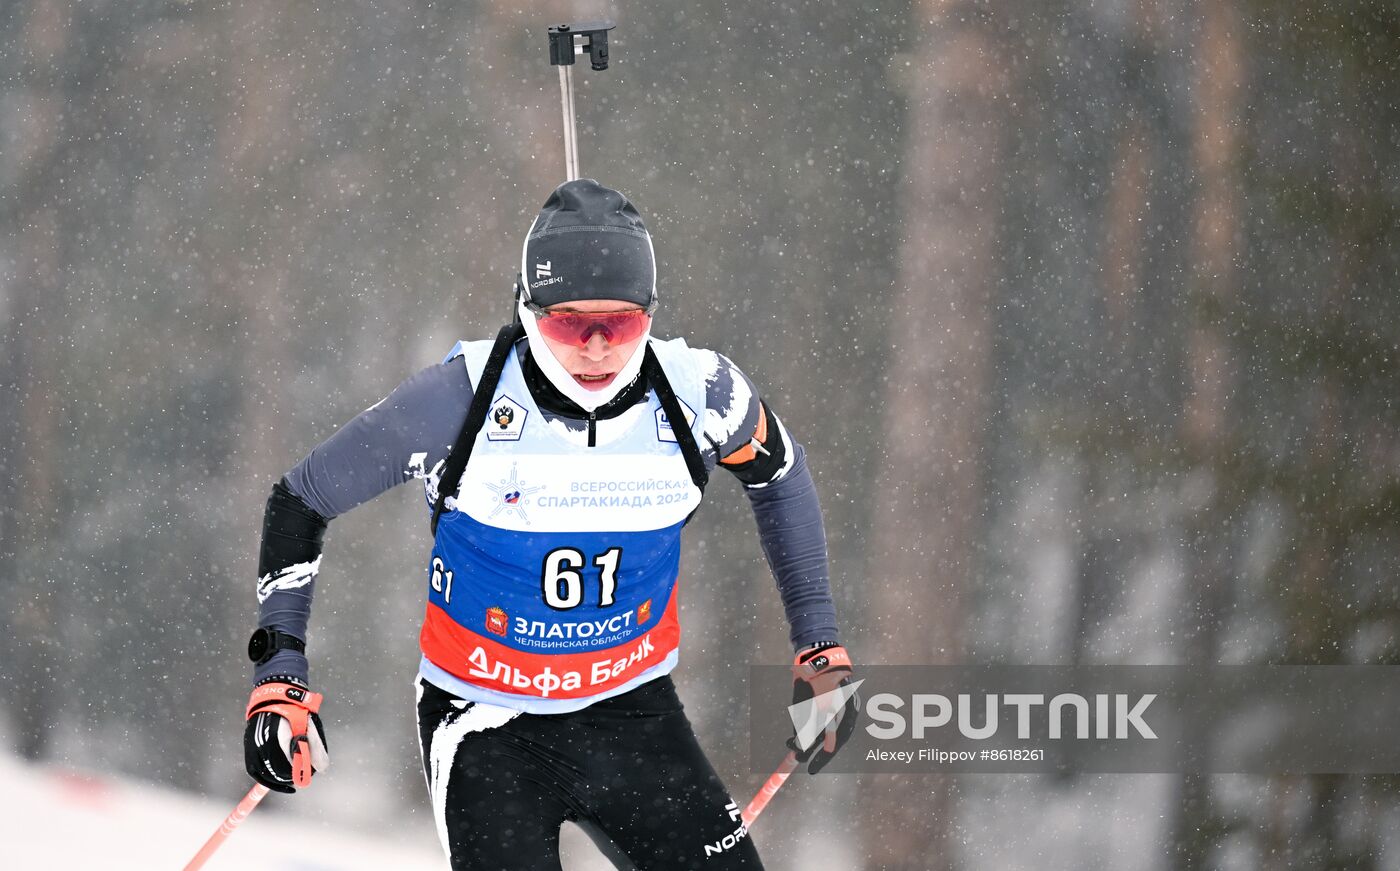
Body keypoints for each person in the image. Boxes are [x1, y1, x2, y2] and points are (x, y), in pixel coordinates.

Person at [242, 179, 859, 869]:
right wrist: (280, 673)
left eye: (620, 324)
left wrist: (819, 646)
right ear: (529, 310)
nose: (597, 349)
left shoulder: (702, 393)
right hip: (485, 722)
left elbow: (782, 477)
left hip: (632, 713)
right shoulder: (458, 402)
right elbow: (300, 499)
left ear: (649, 315)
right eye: (571, 324)